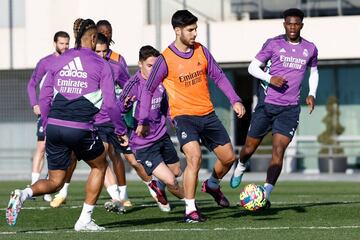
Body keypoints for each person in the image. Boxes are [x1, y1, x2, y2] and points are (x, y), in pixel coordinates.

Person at [6, 18, 128, 232]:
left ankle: (22, 194)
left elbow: (44, 96)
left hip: (53, 126)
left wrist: (46, 123)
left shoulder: (58, 60)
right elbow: (110, 104)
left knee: (55, 181)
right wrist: (120, 130)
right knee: (100, 165)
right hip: (80, 128)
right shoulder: (102, 65)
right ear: (92, 38)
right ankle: (85, 220)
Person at [136, 10, 245, 222]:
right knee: (194, 158)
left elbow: (219, 76)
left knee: (229, 158)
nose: (195, 33)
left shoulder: (201, 51)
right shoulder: (165, 59)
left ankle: (212, 184)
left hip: (208, 114)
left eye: (195, 29)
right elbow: (148, 90)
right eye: (190, 30)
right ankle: (190, 210)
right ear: (178, 31)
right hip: (184, 117)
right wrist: (143, 120)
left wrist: (235, 99)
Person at [230, 8, 319, 208]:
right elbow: (252, 68)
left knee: (279, 151)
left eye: (296, 23)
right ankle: (241, 165)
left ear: (301, 25)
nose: (293, 27)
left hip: (290, 109)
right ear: (284, 24)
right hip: (267, 106)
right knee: (248, 148)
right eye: (289, 23)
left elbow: (314, 72)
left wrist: (312, 93)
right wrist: (270, 78)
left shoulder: (310, 48)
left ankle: (265, 192)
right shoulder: (273, 44)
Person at [119, 45, 185, 211]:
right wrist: (125, 106)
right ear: (140, 64)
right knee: (172, 181)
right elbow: (118, 107)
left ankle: (157, 184)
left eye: (156, 66)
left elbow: (164, 105)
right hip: (144, 143)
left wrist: (172, 119)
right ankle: (191, 205)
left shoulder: (160, 81)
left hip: (162, 136)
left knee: (177, 171)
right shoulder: (133, 84)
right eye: (149, 66)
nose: (153, 70)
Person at [27, 31, 70, 202]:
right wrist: (34, 104)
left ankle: (49, 185)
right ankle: (34, 184)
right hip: (47, 111)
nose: (65, 47)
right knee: (42, 146)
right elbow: (32, 84)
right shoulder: (45, 62)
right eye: (61, 43)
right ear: (55, 43)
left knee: (62, 148)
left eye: (67, 43)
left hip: (65, 111)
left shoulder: (72, 61)